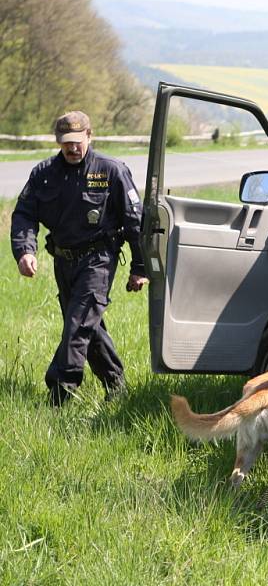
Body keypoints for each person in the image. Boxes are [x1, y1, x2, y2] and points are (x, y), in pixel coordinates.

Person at [10, 111, 148, 406]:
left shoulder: (111, 171)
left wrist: (139, 267)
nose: (72, 149)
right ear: (58, 142)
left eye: (77, 142)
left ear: (89, 135)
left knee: (77, 325)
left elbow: (135, 220)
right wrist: (25, 250)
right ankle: (117, 385)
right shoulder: (43, 173)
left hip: (99, 258)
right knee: (88, 326)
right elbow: (24, 214)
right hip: (63, 260)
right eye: (65, 143)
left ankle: (59, 392)